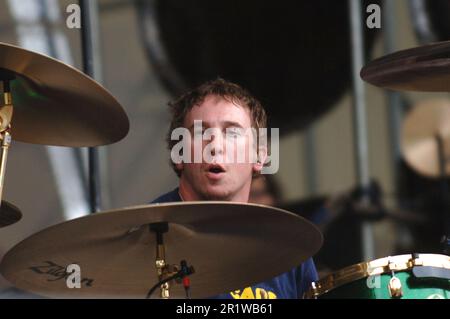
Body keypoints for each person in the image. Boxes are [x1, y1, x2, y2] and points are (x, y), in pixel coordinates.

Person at [152, 78, 318, 299]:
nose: (216, 147)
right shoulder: (145, 235)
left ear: (259, 156)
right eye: (201, 133)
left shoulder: (288, 244)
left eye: (232, 133)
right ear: (179, 154)